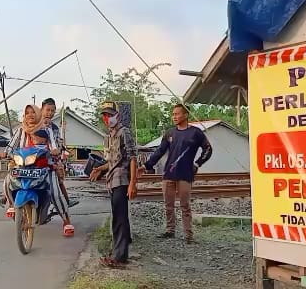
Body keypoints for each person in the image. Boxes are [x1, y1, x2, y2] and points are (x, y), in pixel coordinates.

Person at [139, 104, 213, 244]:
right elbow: (160, 151)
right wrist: (146, 165)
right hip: (168, 175)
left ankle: (188, 235)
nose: (174, 117)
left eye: (177, 114)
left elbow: (208, 149)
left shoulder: (196, 133)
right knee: (168, 205)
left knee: (185, 206)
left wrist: (197, 164)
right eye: (173, 114)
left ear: (185, 115)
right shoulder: (170, 133)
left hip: (185, 175)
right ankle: (170, 230)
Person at [0, 104, 75, 237]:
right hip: (23, 167)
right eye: (27, 112)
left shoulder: (47, 130)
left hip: (44, 167)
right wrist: (5, 153)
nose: (30, 115)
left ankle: (66, 221)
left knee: (55, 193)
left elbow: (53, 144)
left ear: (38, 114)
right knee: (7, 181)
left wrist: (55, 150)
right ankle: (12, 204)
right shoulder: (20, 130)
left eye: (32, 112)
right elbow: (11, 146)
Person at [89, 101, 138, 268]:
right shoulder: (108, 137)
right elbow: (112, 162)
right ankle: (120, 250)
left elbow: (132, 158)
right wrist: (99, 169)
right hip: (112, 180)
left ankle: (119, 257)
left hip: (122, 180)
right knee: (119, 216)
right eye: (104, 115)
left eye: (110, 115)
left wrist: (132, 183)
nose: (107, 118)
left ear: (117, 115)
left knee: (119, 218)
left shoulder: (125, 133)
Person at [40, 98, 77, 208]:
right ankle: (6, 198)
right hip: (35, 158)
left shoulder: (55, 128)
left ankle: (66, 201)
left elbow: (59, 143)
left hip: (52, 159)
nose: (50, 113)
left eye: (52, 111)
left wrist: (60, 150)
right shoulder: (35, 125)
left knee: (59, 180)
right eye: (47, 110)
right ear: (41, 109)